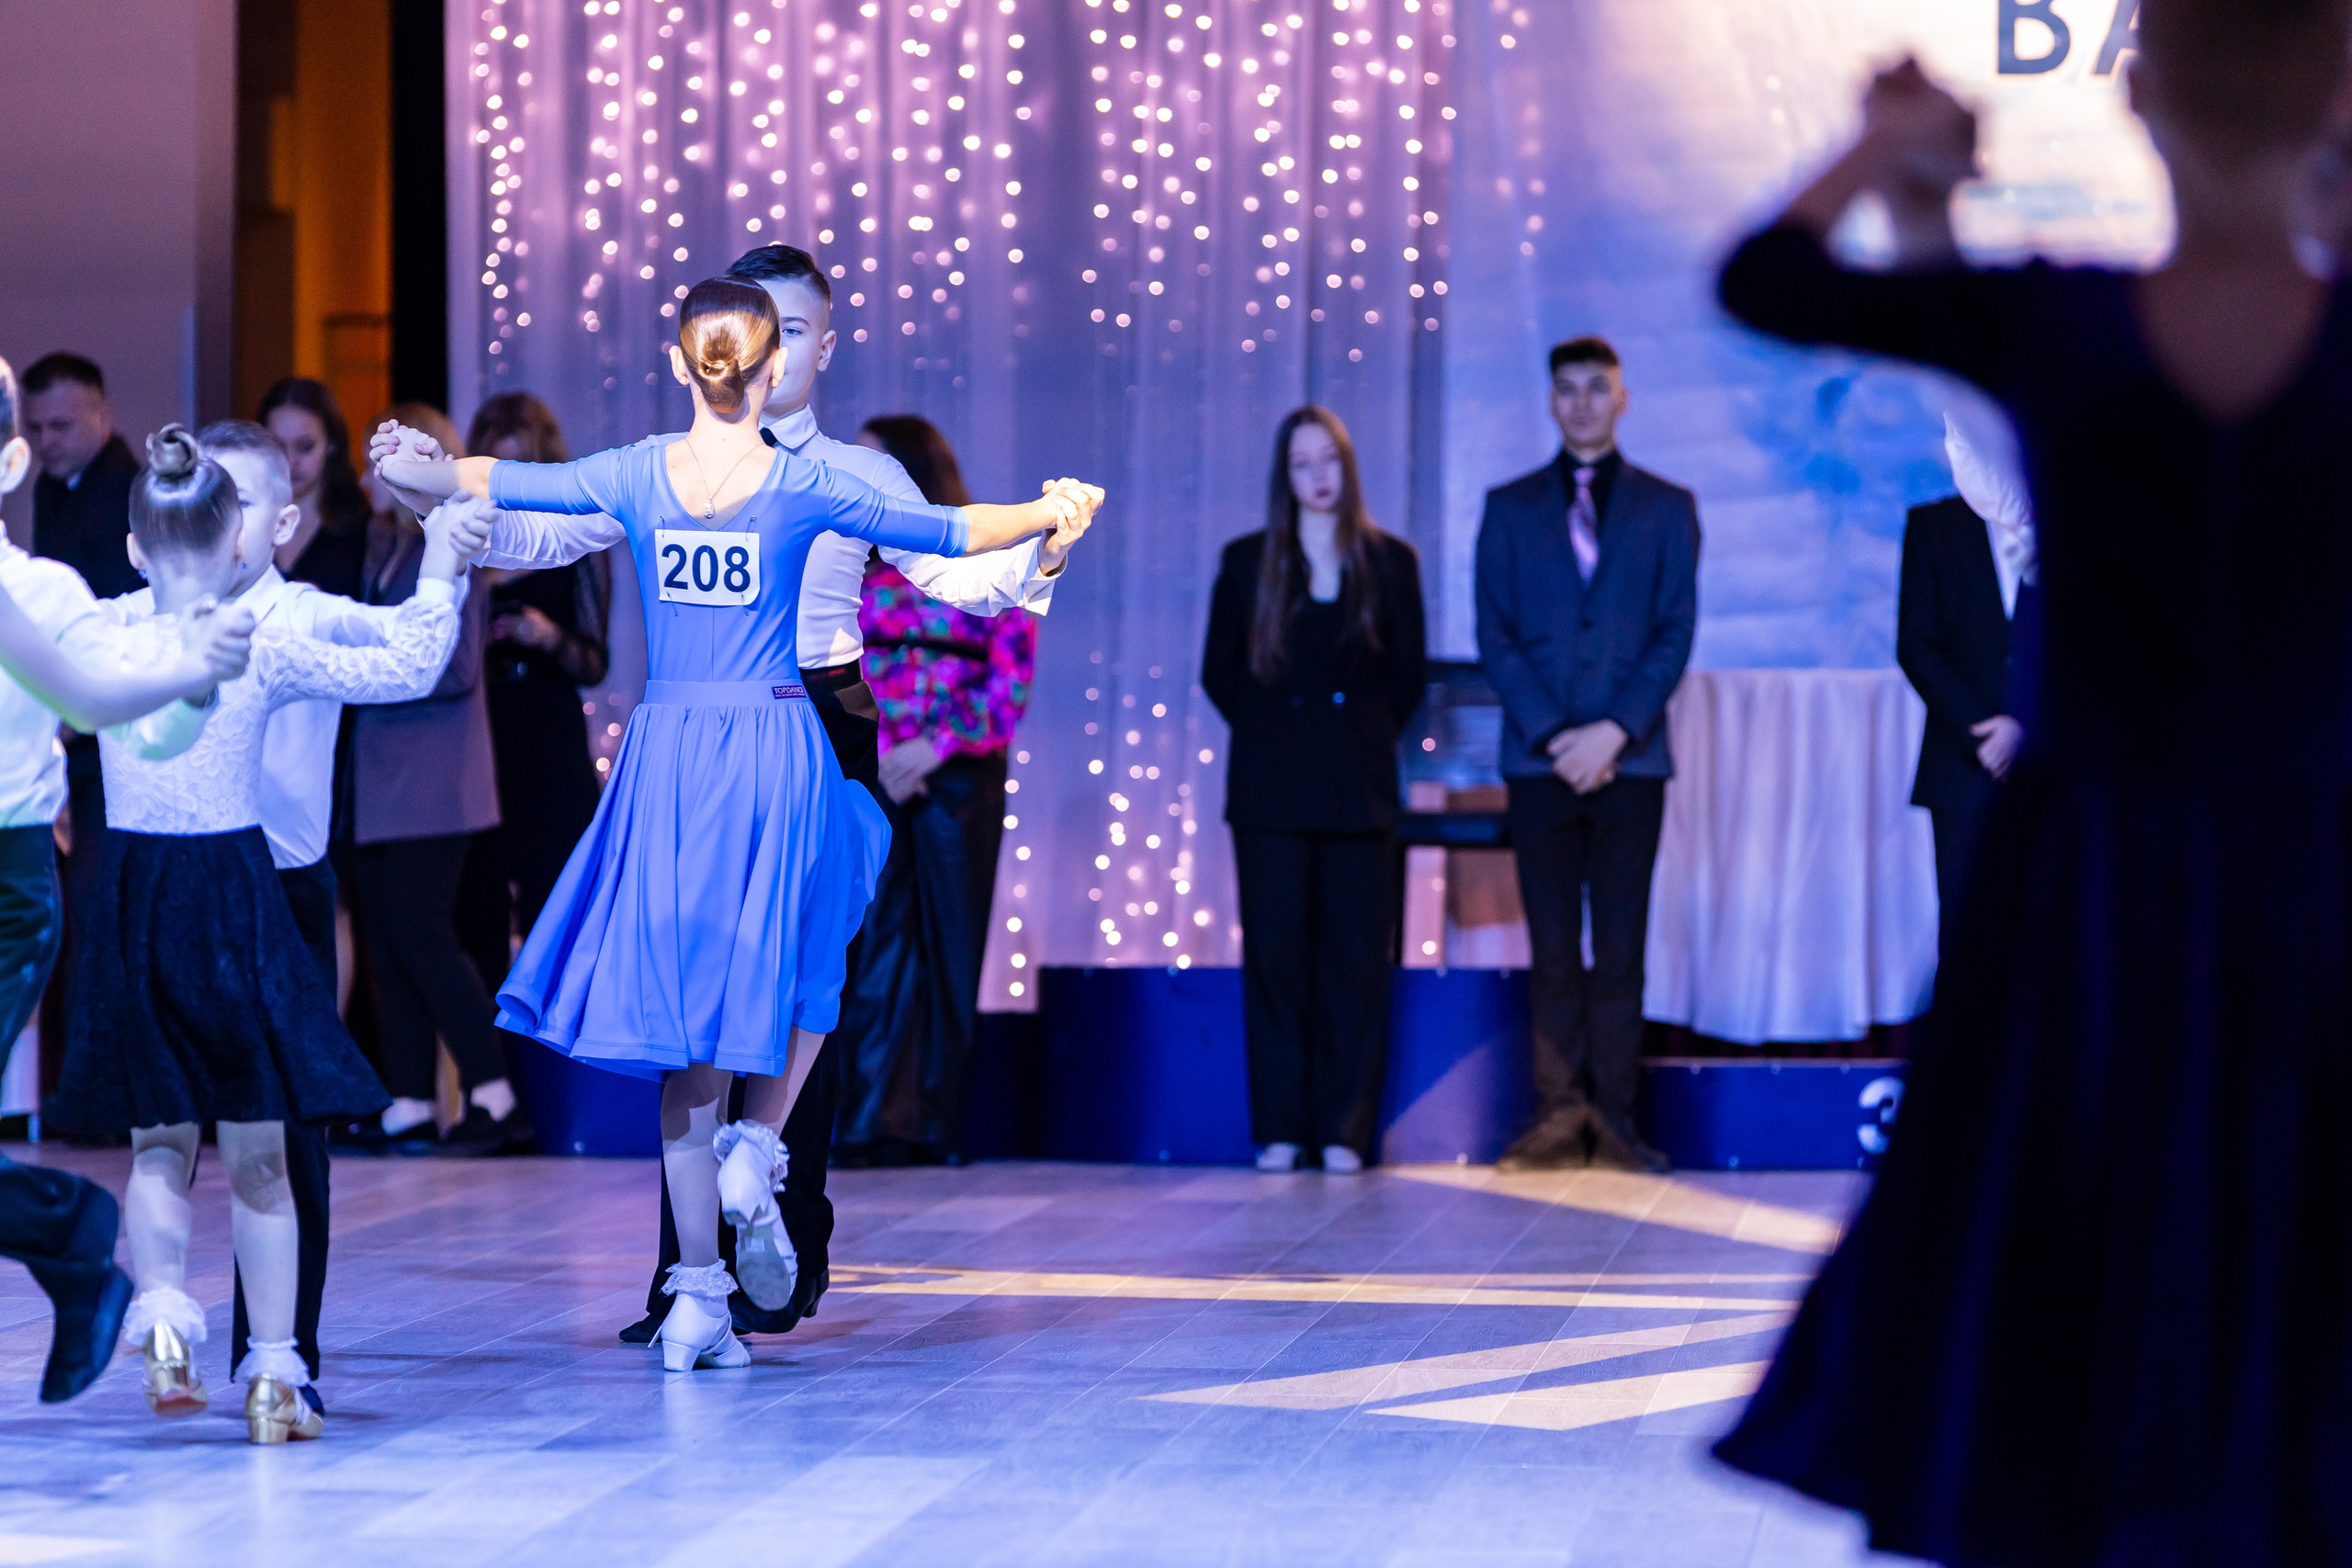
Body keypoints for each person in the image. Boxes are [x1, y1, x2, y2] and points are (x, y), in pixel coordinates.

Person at [1710, 6, 2352, 1561]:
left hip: (2093, 881)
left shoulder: (2068, 326)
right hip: (2316, 872)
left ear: (2137, 101)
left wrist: (1893, 149)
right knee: (2299, 1217)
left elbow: (1765, 279)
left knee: (2072, 1211)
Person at [372, 275, 1099, 1372]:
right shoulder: (790, 484)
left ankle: (731, 1268)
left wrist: (427, 478)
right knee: (780, 972)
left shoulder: (716, 469)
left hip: (739, 735)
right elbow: (959, 525)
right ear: (760, 360)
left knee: (717, 1003)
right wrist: (1050, 515)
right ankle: (719, 1228)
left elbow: (954, 568)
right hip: (771, 735)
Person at [48, 425, 477, 1443]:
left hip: (136, 901)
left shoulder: (103, 635)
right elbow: (415, 663)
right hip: (239, 895)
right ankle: (277, 1374)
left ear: (137, 547)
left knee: (160, 1145)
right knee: (261, 1158)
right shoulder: (260, 642)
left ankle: (161, 1321)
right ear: (237, 536)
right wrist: (446, 560)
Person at [0, 360, 254, 1406]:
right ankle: (68, 1242)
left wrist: (195, 677)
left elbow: (125, 712)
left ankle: (70, 1241)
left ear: (11, 459)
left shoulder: (45, 592)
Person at [1474, 337, 1700, 1174]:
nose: (1581, 402)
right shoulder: (1509, 506)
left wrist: (1614, 731)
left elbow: (1675, 629)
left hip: (1631, 763)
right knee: (1555, 949)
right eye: (1566, 389)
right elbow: (1494, 632)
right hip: (1540, 763)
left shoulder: (1668, 507)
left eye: (1595, 388)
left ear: (1622, 397)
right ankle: (1557, 1116)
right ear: (1550, 401)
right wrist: (1553, 736)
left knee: (1622, 947)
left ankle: (1617, 1120)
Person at [1201, 406, 1426, 1174]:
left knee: (1356, 963)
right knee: (1276, 960)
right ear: (1284, 475)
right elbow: (1220, 673)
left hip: (1360, 794)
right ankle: (1281, 1128)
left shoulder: (1390, 562)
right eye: (1302, 463)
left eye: (1328, 459)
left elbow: (1407, 678)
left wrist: (1349, 739)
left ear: (1347, 465)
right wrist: (1282, 740)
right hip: (1270, 794)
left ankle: (1345, 1130)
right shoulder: (1246, 561)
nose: (1318, 476)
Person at [832, 414, 1043, 1167]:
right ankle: (865, 1119)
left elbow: (1009, 678)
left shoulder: (982, 556)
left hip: (958, 773)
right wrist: (885, 746)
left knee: (952, 943)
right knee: (872, 942)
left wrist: (936, 745)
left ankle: (936, 1120)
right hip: (874, 768)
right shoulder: (849, 562)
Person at [346, 402, 521, 1154]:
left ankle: (495, 1090)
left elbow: (451, 665)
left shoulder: (453, 536)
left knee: (422, 932)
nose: (369, 477)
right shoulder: (383, 545)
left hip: (435, 773)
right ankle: (411, 1098)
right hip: (387, 775)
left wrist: (363, 665)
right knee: (389, 938)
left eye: (382, 462)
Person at [462, 393, 611, 969]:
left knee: (557, 904)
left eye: (523, 467)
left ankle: (553, 1054)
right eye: (499, 469)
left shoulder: (575, 544)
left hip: (548, 735)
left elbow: (595, 663)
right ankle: (492, 1056)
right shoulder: (467, 540)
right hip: (480, 732)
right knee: (479, 907)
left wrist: (548, 636)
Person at [22, 353, 143, 968]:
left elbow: (117, 622)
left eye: (60, 426)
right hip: (73, 730)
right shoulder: (51, 485)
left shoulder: (130, 492)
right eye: (35, 427)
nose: (44, 441)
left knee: (95, 915)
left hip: (110, 732)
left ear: (102, 414)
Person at [1897, 414, 2035, 942]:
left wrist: (2026, 725)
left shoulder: (2073, 522)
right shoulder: (1934, 527)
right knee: (1966, 934)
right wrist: (1986, 732)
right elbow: (1915, 644)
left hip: (2050, 767)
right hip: (1961, 765)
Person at [256, 378, 370, 602]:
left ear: (331, 444)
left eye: (305, 447)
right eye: (277, 446)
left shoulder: (362, 526)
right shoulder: (244, 520)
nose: (290, 460)